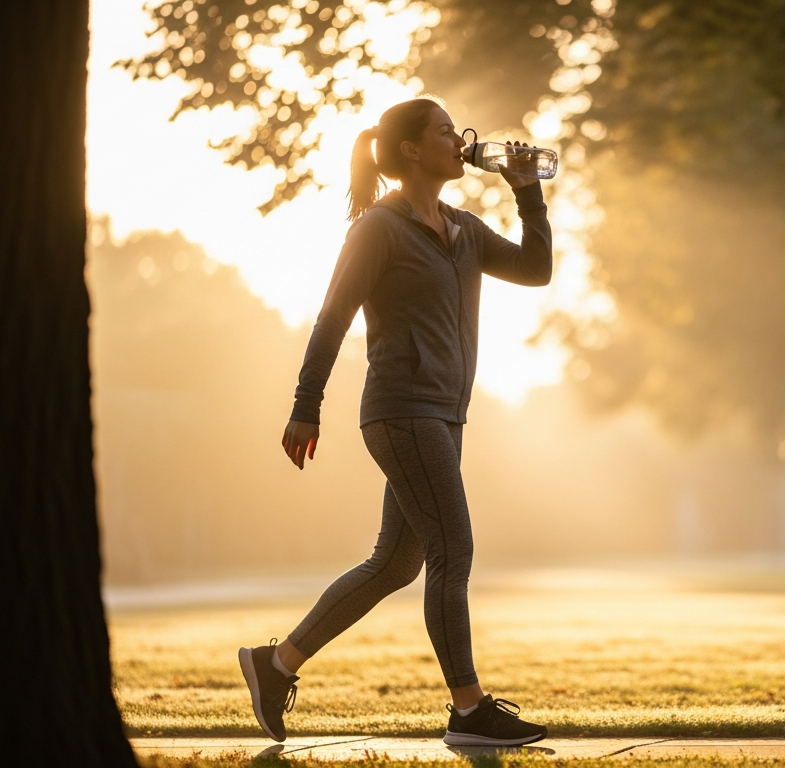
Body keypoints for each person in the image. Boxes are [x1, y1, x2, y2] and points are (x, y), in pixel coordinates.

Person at [237, 97, 553, 747]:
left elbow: (536, 271)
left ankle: (274, 666)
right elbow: (332, 316)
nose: (460, 140)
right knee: (452, 551)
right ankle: (468, 712)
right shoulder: (379, 228)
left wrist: (528, 195)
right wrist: (305, 403)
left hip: (444, 413)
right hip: (403, 408)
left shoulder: (463, 229)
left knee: (395, 565)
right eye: (445, 132)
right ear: (412, 150)